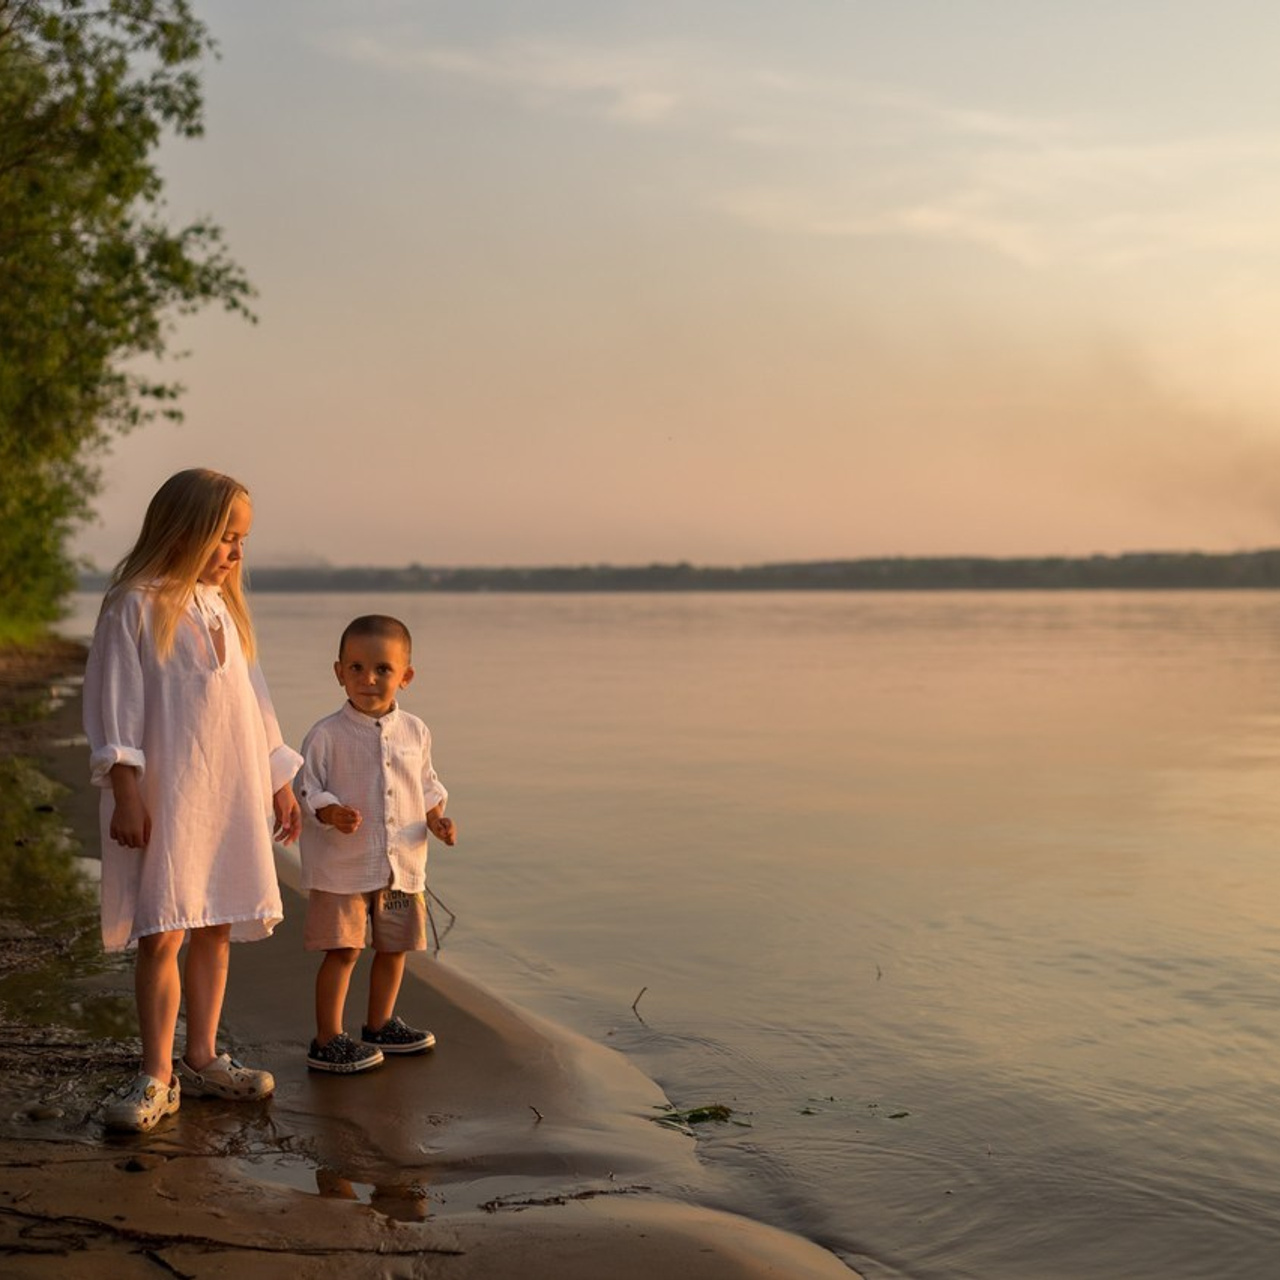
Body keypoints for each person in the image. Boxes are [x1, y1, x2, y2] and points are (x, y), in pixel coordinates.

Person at [84, 469, 302, 1133]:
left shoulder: (224, 611)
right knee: (165, 929)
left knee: (216, 926)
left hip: (229, 793)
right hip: (169, 795)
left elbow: (255, 708)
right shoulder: (137, 603)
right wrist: (126, 791)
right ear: (184, 529)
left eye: (241, 539)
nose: (236, 551)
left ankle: (203, 1056)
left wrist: (279, 779)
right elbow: (114, 705)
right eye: (225, 536)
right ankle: (157, 1073)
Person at [296, 614, 457, 1073]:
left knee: (393, 948)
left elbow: (426, 785)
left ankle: (380, 1024)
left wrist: (438, 820)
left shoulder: (416, 731)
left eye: (383, 669)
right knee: (343, 949)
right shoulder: (326, 734)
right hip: (343, 867)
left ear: (405, 677)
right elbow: (306, 786)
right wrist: (329, 811)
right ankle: (328, 1038)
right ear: (339, 672)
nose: (368, 679)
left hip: (401, 864)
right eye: (357, 668)